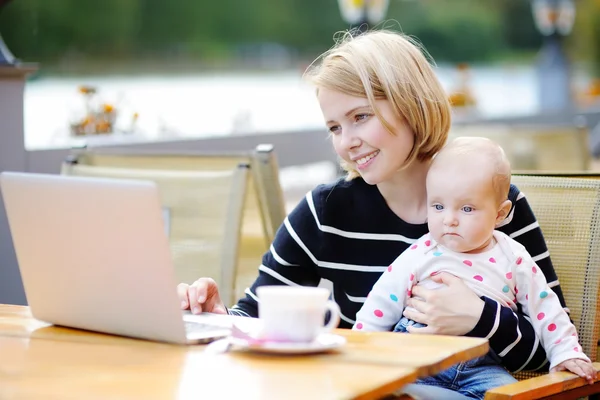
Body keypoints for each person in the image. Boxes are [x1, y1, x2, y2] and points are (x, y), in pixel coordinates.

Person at [177, 29, 570, 399]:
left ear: (410, 104)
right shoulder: (326, 211)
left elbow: (550, 351)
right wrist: (215, 317)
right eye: (334, 127)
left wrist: (479, 317)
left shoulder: (495, 208)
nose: (347, 143)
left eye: (360, 117)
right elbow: (257, 316)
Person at [353, 137, 596, 399]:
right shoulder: (422, 252)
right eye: (438, 206)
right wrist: (359, 353)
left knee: (512, 396)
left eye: (467, 208)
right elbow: (381, 302)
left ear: (500, 214)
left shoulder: (513, 256)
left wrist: (566, 353)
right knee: (386, 392)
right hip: (419, 356)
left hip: (482, 367)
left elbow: (546, 309)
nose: (449, 220)